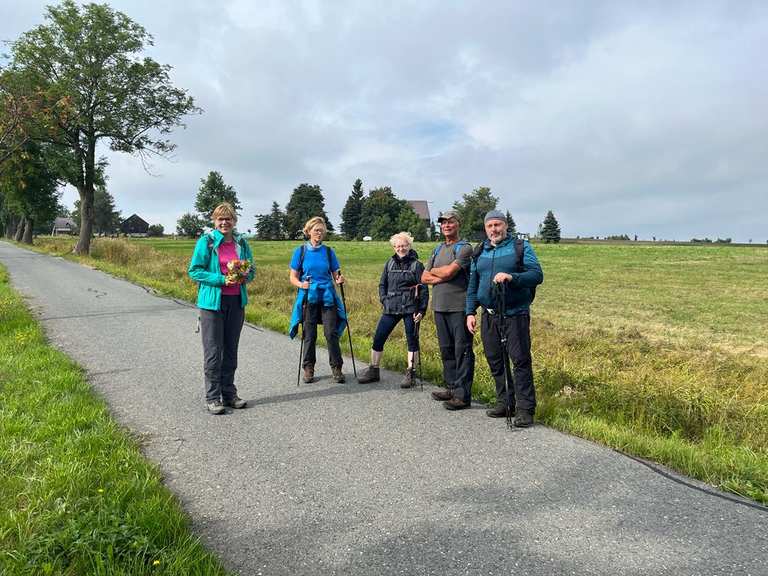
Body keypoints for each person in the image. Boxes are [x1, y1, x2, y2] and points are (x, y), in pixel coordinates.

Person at [465, 210, 543, 427]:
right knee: (495, 359)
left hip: (515, 314)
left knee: (519, 360)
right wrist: (470, 312)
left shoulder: (520, 247)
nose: (494, 230)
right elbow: (473, 284)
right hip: (489, 315)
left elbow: (537, 275)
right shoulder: (480, 251)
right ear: (485, 229)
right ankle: (505, 401)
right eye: (490, 226)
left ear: (506, 226)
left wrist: (512, 277)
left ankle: (525, 409)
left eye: (498, 225)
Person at [188, 202, 255, 415]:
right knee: (213, 352)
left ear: (234, 221)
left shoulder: (241, 243)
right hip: (212, 304)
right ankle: (212, 397)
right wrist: (220, 279)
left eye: (228, 219)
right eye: (220, 219)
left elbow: (251, 270)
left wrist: (246, 275)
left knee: (231, 351)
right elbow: (195, 271)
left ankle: (229, 394)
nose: (224, 223)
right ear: (214, 222)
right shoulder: (206, 243)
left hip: (236, 302)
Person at [357, 232, 429, 388]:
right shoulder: (389, 263)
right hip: (391, 307)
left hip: (411, 308)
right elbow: (382, 284)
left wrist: (422, 310)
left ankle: (411, 373)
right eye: (397, 246)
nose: (400, 248)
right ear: (394, 247)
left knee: (412, 340)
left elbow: (424, 289)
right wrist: (383, 299)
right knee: (379, 337)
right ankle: (374, 370)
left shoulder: (417, 265)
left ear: (409, 246)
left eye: (403, 245)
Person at [420, 210, 475, 410]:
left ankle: (462, 395)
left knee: (462, 351)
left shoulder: (465, 248)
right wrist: (442, 275)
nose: (446, 226)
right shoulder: (437, 249)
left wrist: (440, 273)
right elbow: (423, 277)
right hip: (439, 307)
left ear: (458, 224)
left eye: (450, 222)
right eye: (443, 223)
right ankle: (451, 388)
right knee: (447, 350)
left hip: (459, 307)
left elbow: (452, 271)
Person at [288, 217, 347, 384]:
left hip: (327, 296)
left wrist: (339, 280)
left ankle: (337, 367)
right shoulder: (300, 252)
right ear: (309, 231)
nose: (319, 233)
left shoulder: (329, 252)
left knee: (331, 333)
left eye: (321, 231)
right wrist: (301, 284)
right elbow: (293, 277)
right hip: (309, 296)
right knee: (309, 334)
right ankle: (308, 368)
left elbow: (336, 274)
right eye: (316, 230)